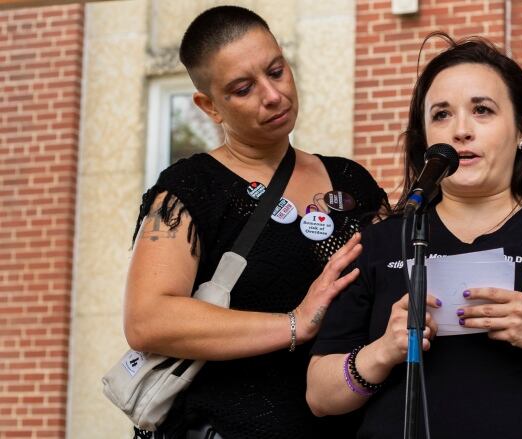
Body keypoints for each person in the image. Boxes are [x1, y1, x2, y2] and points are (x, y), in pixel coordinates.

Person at [306, 33, 522, 438]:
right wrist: (384, 350)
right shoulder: (381, 242)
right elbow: (319, 396)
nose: (461, 130)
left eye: (482, 110)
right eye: (441, 115)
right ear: (423, 138)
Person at [124, 6, 387, 438]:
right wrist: (294, 323)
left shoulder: (351, 180)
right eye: (244, 88)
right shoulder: (191, 187)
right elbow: (148, 319)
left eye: (277, 71)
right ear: (209, 106)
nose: (272, 95)